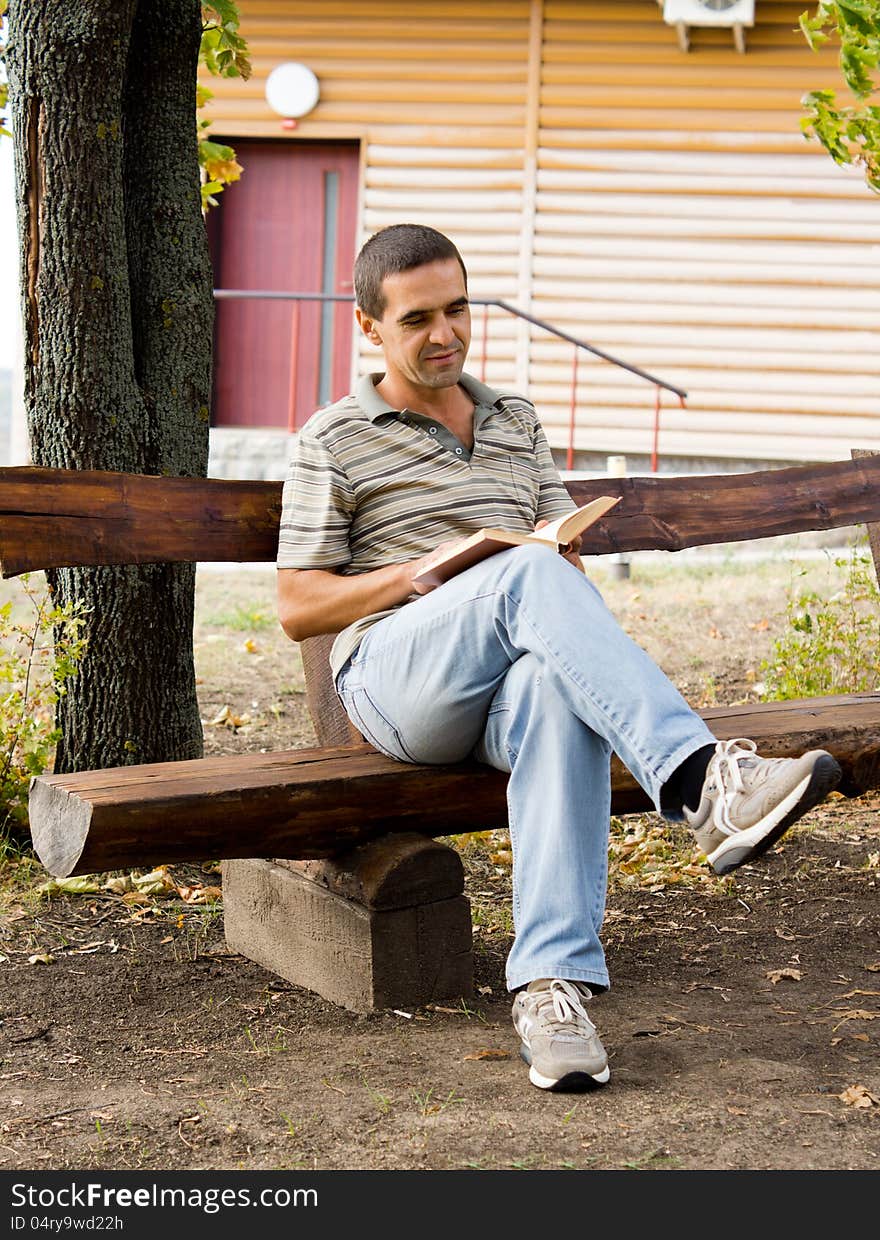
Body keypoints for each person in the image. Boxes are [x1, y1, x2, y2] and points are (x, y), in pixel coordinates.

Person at [276, 223, 842, 1093]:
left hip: (506, 679)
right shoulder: (334, 438)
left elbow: (555, 558)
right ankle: (702, 784)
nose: (446, 334)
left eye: (458, 308)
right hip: (395, 679)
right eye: (419, 318)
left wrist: (547, 557)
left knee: (552, 684)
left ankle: (551, 991)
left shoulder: (515, 421)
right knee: (522, 575)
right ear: (369, 327)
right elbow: (297, 605)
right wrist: (421, 573)